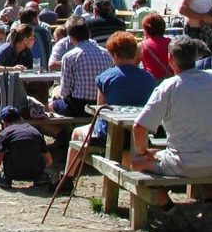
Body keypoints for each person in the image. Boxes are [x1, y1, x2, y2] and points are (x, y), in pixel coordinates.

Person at [131, 35, 212, 211]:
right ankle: (210, 202)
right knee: (208, 153)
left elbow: (139, 126)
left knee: (136, 162)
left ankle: (169, 208)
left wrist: (143, 152)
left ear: (170, 58)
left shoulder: (169, 86)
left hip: (187, 163)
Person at [56, 32, 156, 193]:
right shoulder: (149, 78)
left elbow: (99, 110)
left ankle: (67, 179)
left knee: (76, 133)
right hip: (139, 134)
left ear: (114, 54)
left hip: (109, 133)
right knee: (127, 146)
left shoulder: (105, 77)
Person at [50, 16, 113, 117]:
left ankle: (63, 131)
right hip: (102, 105)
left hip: (78, 106)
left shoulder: (70, 57)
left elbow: (66, 92)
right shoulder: (107, 54)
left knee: (49, 105)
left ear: (70, 37)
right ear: (88, 33)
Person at [0, 105, 53, 188]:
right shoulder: (35, 131)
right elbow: (49, 161)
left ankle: (5, 179)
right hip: (35, 172)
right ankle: (40, 178)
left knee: (3, 159)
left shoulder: (4, 134)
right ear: (20, 119)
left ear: (4, 123)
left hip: (13, 172)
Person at [139, 12, 173, 81]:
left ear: (146, 29)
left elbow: (132, 67)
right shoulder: (173, 43)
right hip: (171, 82)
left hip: (152, 83)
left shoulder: (142, 46)